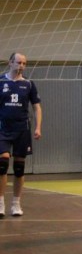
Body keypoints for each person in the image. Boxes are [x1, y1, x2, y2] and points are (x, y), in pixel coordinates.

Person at [0, 53, 42, 218]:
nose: (21, 66)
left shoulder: (28, 84)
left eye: (24, 63)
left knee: (19, 168)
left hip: (22, 129)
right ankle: (0, 203)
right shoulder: (1, 82)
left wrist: (38, 127)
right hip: (3, 129)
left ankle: (16, 204)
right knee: (2, 163)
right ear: (10, 63)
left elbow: (37, 107)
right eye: (18, 62)